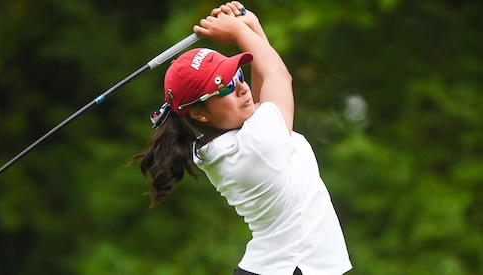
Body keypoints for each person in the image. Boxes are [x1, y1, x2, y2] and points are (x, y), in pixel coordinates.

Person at [131, 2, 352, 274]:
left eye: (237, 74)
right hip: (294, 268)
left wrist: (252, 27)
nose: (242, 88)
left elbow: (263, 86)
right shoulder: (256, 147)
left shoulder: (224, 140)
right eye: (223, 87)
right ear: (199, 113)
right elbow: (278, 76)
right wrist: (238, 32)